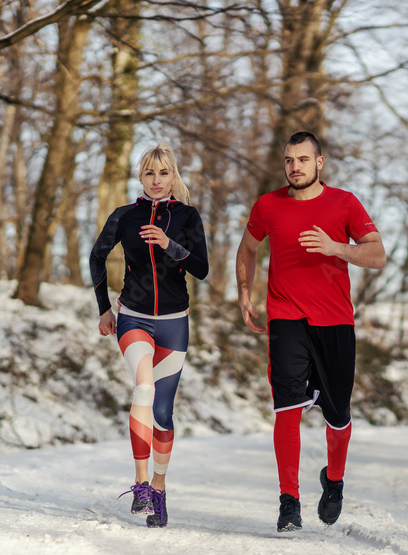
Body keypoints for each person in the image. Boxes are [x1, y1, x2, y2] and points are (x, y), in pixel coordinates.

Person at [235, 131, 386, 532]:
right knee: (287, 405)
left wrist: (337, 248)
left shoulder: (345, 203)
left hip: (335, 320)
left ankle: (333, 480)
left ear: (319, 163)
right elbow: (247, 247)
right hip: (286, 316)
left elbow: (377, 254)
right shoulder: (268, 205)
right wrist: (245, 294)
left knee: (338, 416)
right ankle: (289, 502)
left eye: (303, 159)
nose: (295, 167)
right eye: (289, 160)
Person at [90, 143, 208, 528]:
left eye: (163, 173)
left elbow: (203, 268)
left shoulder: (188, 217)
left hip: (174, 322)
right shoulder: (125, 216)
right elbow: (96, 256)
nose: (156, 181)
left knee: (162, 413)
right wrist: (104, 308)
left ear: (173, 176)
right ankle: (141, 484)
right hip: (133, 317)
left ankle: (158, 487)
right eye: (148, 174)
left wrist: (170, 245)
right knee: (143, 388)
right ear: (140, 178)